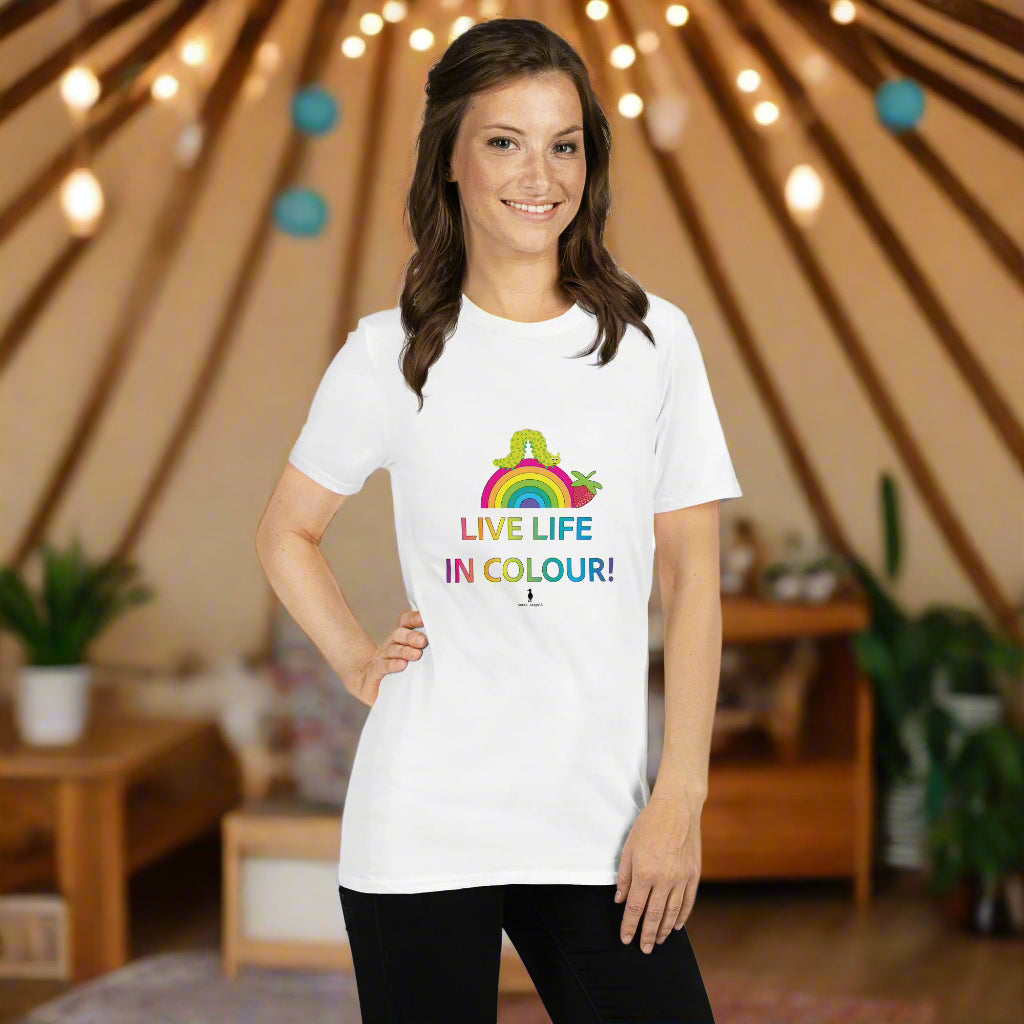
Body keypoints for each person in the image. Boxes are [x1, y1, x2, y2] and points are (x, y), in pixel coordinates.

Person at [255, 17, 742, 1024]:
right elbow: (284, 532)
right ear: (450, 162)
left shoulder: (652, 344)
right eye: (504, 140)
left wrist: (679, 798)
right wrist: (356, 662)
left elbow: (692, 580)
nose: (540, 173)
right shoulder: (389, 354)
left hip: (598, 823)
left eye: (563, 143)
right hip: (421, 817)